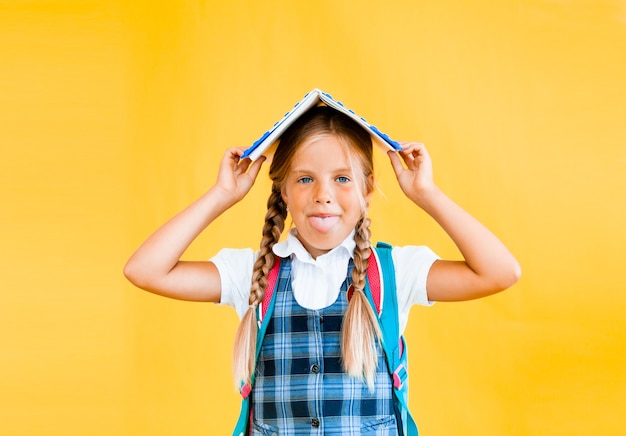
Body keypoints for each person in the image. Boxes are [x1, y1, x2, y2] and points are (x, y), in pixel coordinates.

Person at [124, 105, 521, 435]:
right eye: (305, 178)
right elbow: (145, 270)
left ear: (368, 191)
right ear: (282, 190)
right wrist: (221, 196)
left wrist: (427, 194)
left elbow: (500, 272)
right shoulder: (251, 273)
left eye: (342, 178)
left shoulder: (396, 272)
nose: (323, 195)